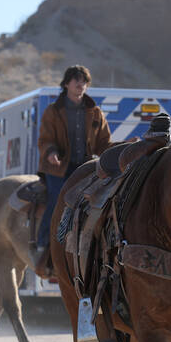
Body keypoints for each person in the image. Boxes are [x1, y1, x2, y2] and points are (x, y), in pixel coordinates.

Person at [34, 64, 111, 277]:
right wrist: (50, 152)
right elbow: (45, 139)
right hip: (58, 170)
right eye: (77, 80)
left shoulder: (94, 113)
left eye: (84, 81)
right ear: (66, 84)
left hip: (85, 170)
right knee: (56, 202)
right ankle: (43, 245)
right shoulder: (53, 111)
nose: (81, 85)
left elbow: (104, 144)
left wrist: (125, 147)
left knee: (102, 201)